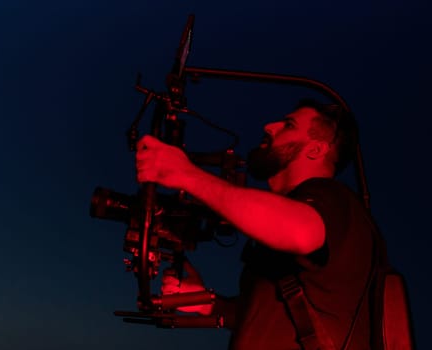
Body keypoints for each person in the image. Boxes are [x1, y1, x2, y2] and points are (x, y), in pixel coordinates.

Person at [135, 98, 382, 349]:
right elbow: (275, 318)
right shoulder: (296, 225)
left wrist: (186, 175)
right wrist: (206, 303)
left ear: (316, 150)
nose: (269, 126)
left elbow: (301, 232)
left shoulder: (331, 197)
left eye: (288, 125)